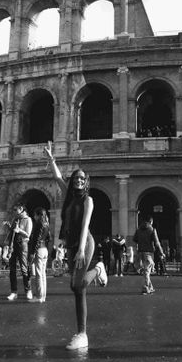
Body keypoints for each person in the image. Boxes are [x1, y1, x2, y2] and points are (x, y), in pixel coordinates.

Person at [45, 141, 107, 350]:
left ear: (86, 182)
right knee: (76, 286)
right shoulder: (68, 196)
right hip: (71, 244)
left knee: (77, 286)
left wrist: (81, 250)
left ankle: (82, 334)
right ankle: (98, 269)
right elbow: (57, 177)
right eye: (76, 177)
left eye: (83, 178)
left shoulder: (88, 200)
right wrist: (51, 159)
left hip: (84, 242)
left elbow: (85, 226)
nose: (79, 180)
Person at [5, 202, 33, 301]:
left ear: (21, 209)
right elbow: (12, 232)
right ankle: (13, 292)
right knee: (12, 269)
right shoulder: (15, 219)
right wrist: (9, 227)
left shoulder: (28, 219)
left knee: (24, 268)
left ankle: (28, 290)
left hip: (23, 244)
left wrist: (19, 230)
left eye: (15, 209)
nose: (14, 211)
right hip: (13, 245)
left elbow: (28, 234)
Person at [133, 215, 165, 295]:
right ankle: (146, 287)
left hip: (140, 252)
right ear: (151, 222)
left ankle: (150, 287)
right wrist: (161, 252)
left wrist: (141, 242)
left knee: (146, 270)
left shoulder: (138, 230)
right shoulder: (152, 230)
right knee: (147, 271)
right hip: (149, 252)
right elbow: (157, 242)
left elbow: (134, 239)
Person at [28, 207, 51, 303]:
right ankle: (43, 296)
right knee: (43, 274)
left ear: (38, 215)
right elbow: (48, 238)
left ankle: (39, 296)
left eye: (35, 215)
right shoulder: (47, 224)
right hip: (45, 249)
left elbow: (36, 240)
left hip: (39, 250)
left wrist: (32, 252)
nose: (34, 217)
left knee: (38, 274)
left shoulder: (38, 224)